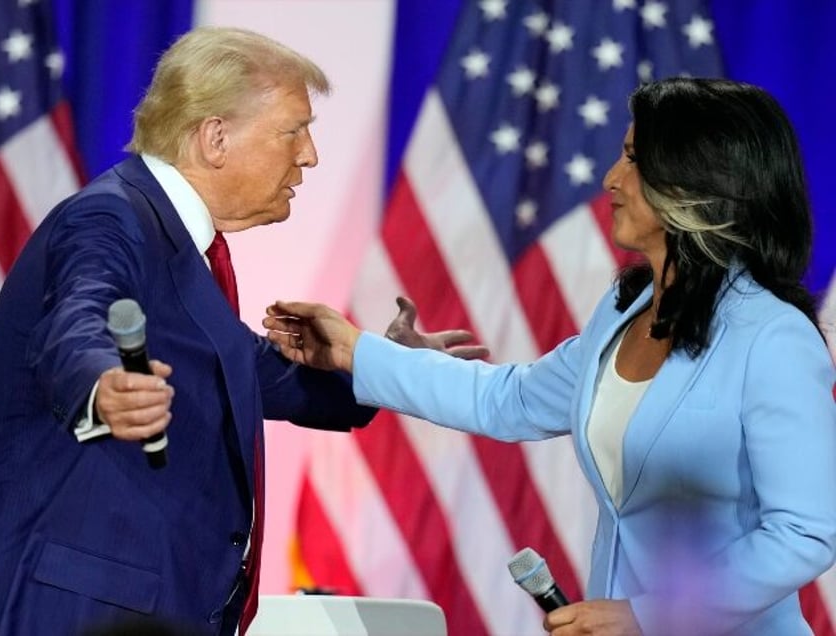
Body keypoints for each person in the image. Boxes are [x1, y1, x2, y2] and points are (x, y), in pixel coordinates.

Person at [264, 77, 836, 636]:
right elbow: (507, 400)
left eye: (634, 160)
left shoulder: (774, 339)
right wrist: (356, 350)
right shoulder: (625, 310)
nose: (612, 178)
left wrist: (646, 615)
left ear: (693, 182)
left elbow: (806, 533)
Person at [0, 27, 484, 636]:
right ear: (216, 137)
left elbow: (250, 374)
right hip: (84, 611)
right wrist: (102, 385)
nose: (309, 155)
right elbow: (79, 317)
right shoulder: (111, 217)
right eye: (293, 130)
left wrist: (383, 363)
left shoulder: (182, 246)